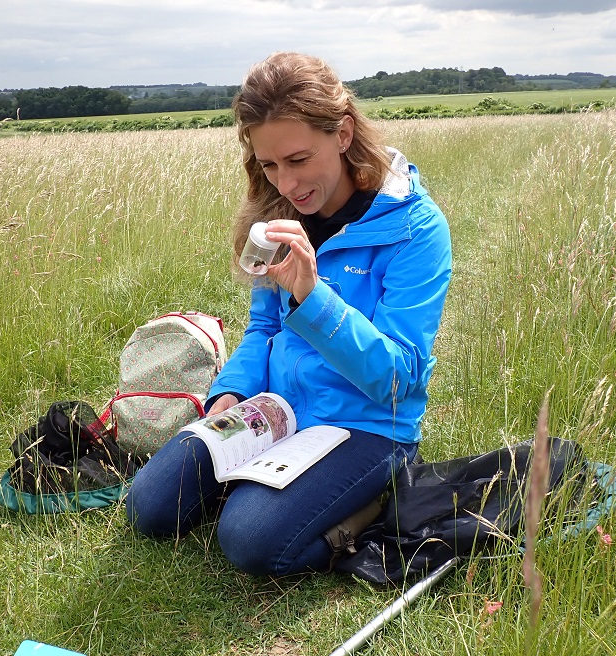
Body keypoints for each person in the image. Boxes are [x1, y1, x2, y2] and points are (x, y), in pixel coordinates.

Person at [125, 51, 452, 576]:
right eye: (269, 165)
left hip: (366, 426)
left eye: (299, 160)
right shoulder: (280, 216)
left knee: (248, 538)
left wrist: (313, 298)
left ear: (343, 134)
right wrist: (229, 392)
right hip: (275, 410)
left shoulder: (418, 230)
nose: (285, 184)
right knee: (150, 506)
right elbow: (262, 328)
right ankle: (268, 486)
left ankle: (371, 500)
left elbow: (399, 380)